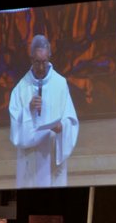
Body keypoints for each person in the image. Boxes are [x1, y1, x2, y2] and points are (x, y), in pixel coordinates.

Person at [9, 34, 80, 189]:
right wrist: (27, 109)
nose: (41, 67)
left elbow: (71, 119)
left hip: (53, 151)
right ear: (31, 59)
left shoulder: (60, 84)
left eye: (44, 62)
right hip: (31, 156)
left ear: (49, 57)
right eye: (37, 62)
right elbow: (15, 124)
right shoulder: (20, 89)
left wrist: (62, 127)